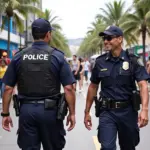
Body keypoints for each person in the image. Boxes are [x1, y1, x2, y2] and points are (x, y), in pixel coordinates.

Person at [1, 18, 76, 150]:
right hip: (51, 112)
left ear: (33, 34)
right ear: (48, 34)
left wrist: (5, 114)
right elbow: (69, 88)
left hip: (26, 112)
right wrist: (72, 113)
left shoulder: (19, 56)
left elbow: (8, 88)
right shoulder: (57, 56)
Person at [84, 25, 149, 150]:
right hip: (107, 112)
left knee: (128, 147)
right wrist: (87, 112)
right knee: (107, 147)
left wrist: (145, 110)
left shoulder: (133, 60)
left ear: (120, 39)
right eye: (104, 38)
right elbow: (93, 87)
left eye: (109, 38)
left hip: (128, 112)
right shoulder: (100, 62)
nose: (105, 41)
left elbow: (143, 85)